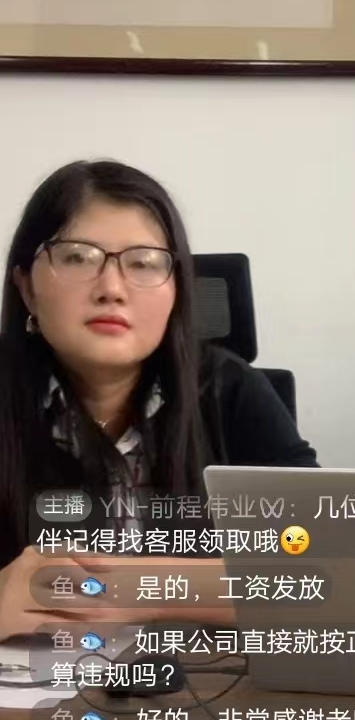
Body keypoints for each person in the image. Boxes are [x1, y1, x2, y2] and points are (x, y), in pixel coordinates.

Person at [0, 160, 318, 639]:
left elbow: (318, 569)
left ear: (176, 292)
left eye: (144, 262)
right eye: (77, 257)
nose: (111, 289)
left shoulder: (230, 391)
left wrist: (142, 591)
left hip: (205, 678)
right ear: (27, 287)